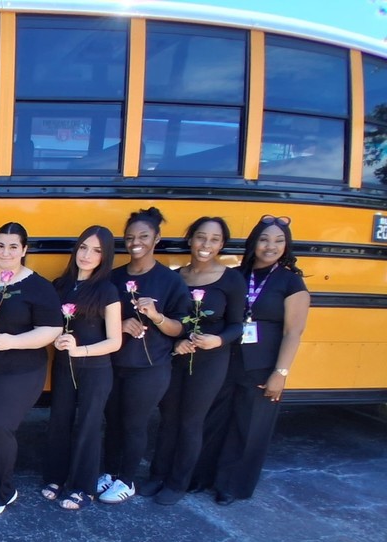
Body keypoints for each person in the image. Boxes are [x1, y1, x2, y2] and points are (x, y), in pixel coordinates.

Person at [194, 214, 310, 504]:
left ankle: (230, 486)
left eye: (279, 241)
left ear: (287, 245)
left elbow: (293, 332)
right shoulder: (237, 275)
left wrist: (280, 373)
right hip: (227, 360)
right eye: (264, 239)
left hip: (261, 366)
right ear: (253, 242)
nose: (270, 246)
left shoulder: (291, 282)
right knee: (214, 420)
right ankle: (202, 476)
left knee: (248, 427)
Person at [139, 217, 246, 505]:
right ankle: (157, 475)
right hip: (176, 355)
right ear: (190, 239)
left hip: (211, 360)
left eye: (213, 240)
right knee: (168, 418)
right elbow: (173, 321)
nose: (205, 245)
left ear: (222, 245)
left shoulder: (232, 279)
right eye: (200, 237)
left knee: (191, 421)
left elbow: (238, 324)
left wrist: (218, 340)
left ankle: (177, 482)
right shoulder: (177, 277)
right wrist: (177, 342)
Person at [0, 222, 63, 517]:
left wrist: (12, 341)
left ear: (24, 250)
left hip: (22, 370)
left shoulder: (38, 287)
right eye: (0, 245)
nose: (5, 252)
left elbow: (52, 330)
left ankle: (2, 493)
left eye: (13, 246)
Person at [99, 207, 191, 504]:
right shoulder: (112, 278)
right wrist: (120, 324)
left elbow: (180, 328)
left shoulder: (169, 280)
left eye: (143, 236)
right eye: (129, 237)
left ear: (156, 239)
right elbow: (96, 318)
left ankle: (127, 480)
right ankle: (110, 472)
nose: (135, 242)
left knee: (134, 423)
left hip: (150, 367)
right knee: (111, 420)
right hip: (114, 362)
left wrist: (156, 316)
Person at [40, 226, 122, 511]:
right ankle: (56, 478)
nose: (87, 255)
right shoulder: (59, 285)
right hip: (64, 365)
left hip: (96, 367)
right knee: (59, 421)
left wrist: (80, 350)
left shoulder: (107, 290)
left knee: (87, 424)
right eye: (84, 247)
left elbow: (115, 341)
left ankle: (83, 487)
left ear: (106, 256)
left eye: (97, 250)